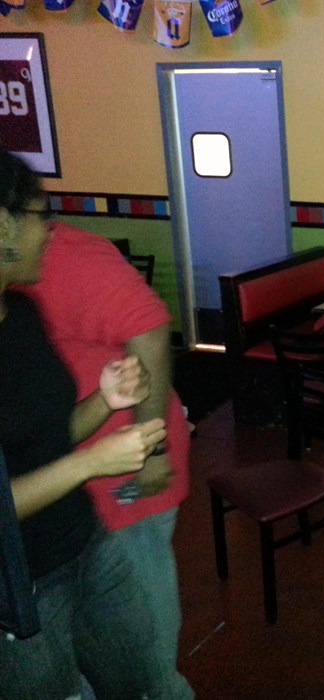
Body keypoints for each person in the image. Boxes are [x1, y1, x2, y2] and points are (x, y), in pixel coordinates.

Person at [0, 149, 167, 698]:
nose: (50, 232)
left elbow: (48, 439)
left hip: (84, 541)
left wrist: (104, 400)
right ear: (2, 224)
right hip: (19, 584)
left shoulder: (21, 315)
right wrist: (89, 464)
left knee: (137, 679)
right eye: (39, 216)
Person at [21, 221, 195, 698]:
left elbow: (151, 332)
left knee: (144, 648)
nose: (37, 226)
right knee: (85, 642)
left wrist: (152, 450)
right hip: (67, 477)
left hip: (121, 464)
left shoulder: (65, 253)